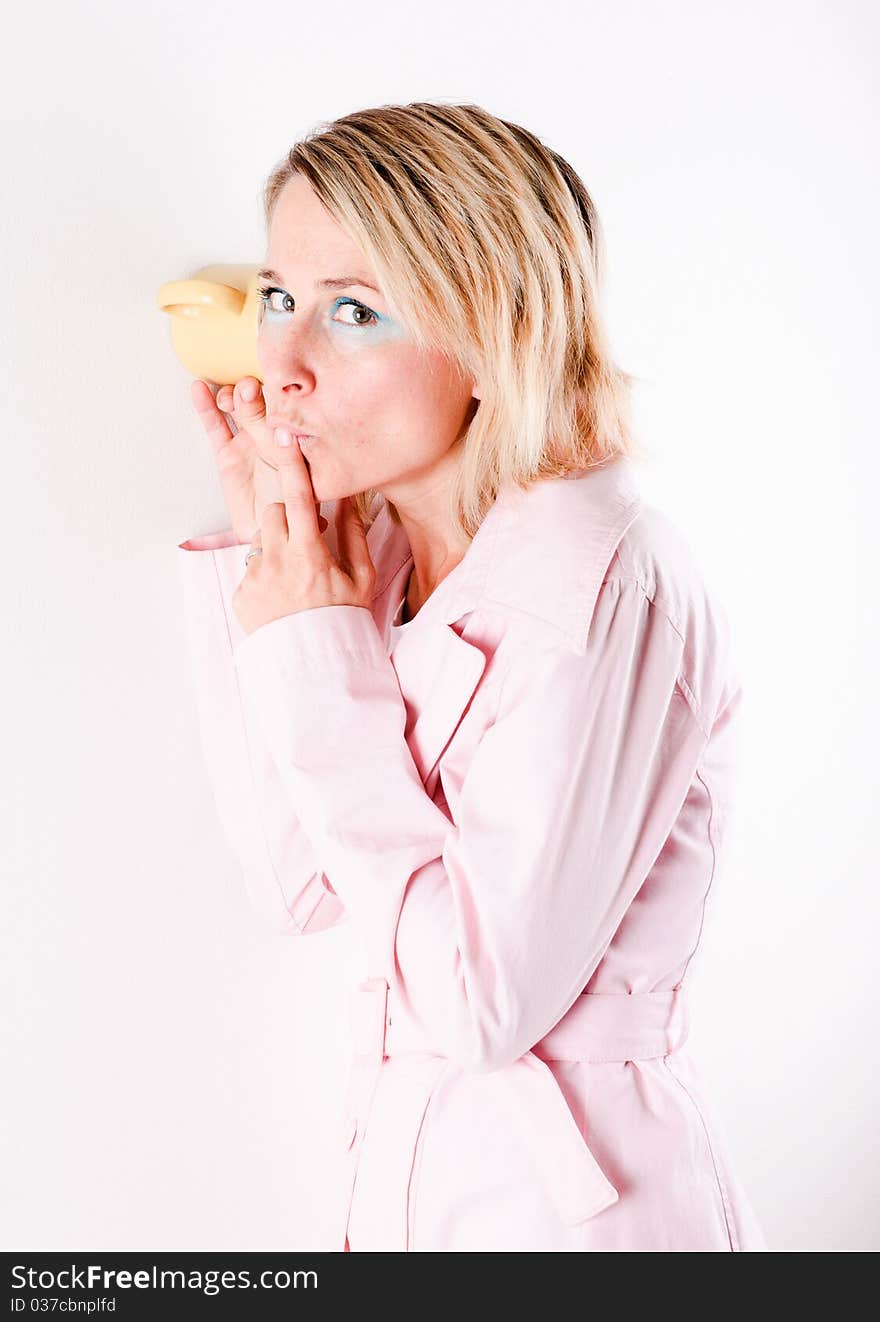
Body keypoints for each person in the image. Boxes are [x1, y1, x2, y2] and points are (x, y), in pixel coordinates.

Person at [177, 101, 768, 1251]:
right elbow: (296, 881)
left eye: (353, 310)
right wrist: (279, 578)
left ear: (495, 333)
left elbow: (483, 1004)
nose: (281, 362)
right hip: (406, 1200)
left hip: (581, 1219)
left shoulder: (604, 581)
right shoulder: (382, 560)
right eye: (279, 298)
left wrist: (310, 645)